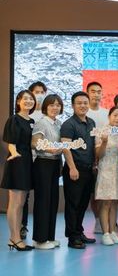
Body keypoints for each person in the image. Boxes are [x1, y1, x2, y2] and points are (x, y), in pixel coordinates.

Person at [60, 91, 97, 249]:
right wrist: (72, 167)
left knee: (83, 203)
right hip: (74, 169)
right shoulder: (68, 124)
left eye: (85, 103)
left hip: (88, 170)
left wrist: (95, 163)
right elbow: (65, 147)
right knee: (73, 204)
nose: (83, 105)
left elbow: (93, 145)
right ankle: (72, 237)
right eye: (79, 103)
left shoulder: (92, 122)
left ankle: (79, 231)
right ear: (73, 105)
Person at [1, 90, 36, 251]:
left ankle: (15, 238)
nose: (29, 101)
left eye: (31, 99)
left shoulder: (32, 121)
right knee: (15, 203)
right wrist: (14, 153)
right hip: (17, 161)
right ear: (18, 101)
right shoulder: (14, 119)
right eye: (25, 99)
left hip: (28, 162)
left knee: (21, 203)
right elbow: (11, 143)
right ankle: (14, 238)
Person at [31, 94, 64, 250]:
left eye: (58, 105)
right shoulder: (41, 122)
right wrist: (50, 149)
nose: (55, 108)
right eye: (52, 105)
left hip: (55, 163)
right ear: (45, 107)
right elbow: (34, 143)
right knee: (43, 201)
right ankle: (40, 240)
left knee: (52, 201)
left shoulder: (58, 123)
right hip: (43, 163)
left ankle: (50, 237)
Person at [95, 107, 118, 246]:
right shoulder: (102, 131)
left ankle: (113, 232)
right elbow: (98, 154)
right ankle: (105, 233)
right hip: (106, 169)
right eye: (115, 115)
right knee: (106, 202)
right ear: (109, 116)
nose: (117, 118)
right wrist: (104, 142)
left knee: (115, 202)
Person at [23, 81, 47, 239]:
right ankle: (22, 226)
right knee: (24, 196)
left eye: (42, 92)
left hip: (43, 162)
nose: (39, 95)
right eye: (36, 92)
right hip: (27, 160)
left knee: (42, 196)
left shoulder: (47, 115)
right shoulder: (27, 116)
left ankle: (41, 231)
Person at [86, 81, 107, 235]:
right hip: (88, 158)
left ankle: (107, 221)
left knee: (105, 193)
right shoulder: (84, 112)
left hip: (105, 158)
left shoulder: (107, 113)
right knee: (93, 194)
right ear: (87, 93)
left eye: (99, 91)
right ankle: (98, 220)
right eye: (93, 91)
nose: (96, 94)